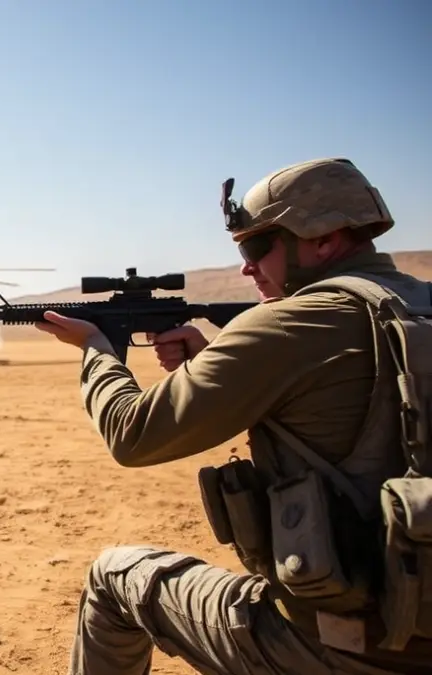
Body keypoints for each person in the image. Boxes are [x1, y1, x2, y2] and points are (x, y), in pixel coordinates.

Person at [34, 157, 432, 674]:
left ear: (325, 240)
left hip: (342, 648)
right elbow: (356, 409)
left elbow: (132, 435)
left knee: (114, 576)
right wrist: (216, 363)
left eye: (256, 246)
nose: (247, 266)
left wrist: (95, 348)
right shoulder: (415, 307)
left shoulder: (285, 324)